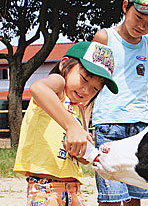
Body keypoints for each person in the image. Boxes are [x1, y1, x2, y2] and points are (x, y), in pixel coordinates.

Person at [13, 41, 118, 206]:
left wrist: (87, 151)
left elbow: (82, 158)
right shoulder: (58, 87)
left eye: (95, 89)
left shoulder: (80, 111)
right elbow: (37, 88)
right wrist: (72, 127)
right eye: (84, 78)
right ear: (64, 65)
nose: (86, 90)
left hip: (74, 188)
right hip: (45, 186)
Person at [91, 0, 148, 205]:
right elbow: (90, 82)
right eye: (139, 17)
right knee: (111, 196)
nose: (142, 26)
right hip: (108, 124)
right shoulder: (104, 38)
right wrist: (82, 121)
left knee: (136, 195)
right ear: (126, 6)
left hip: (141, 126)